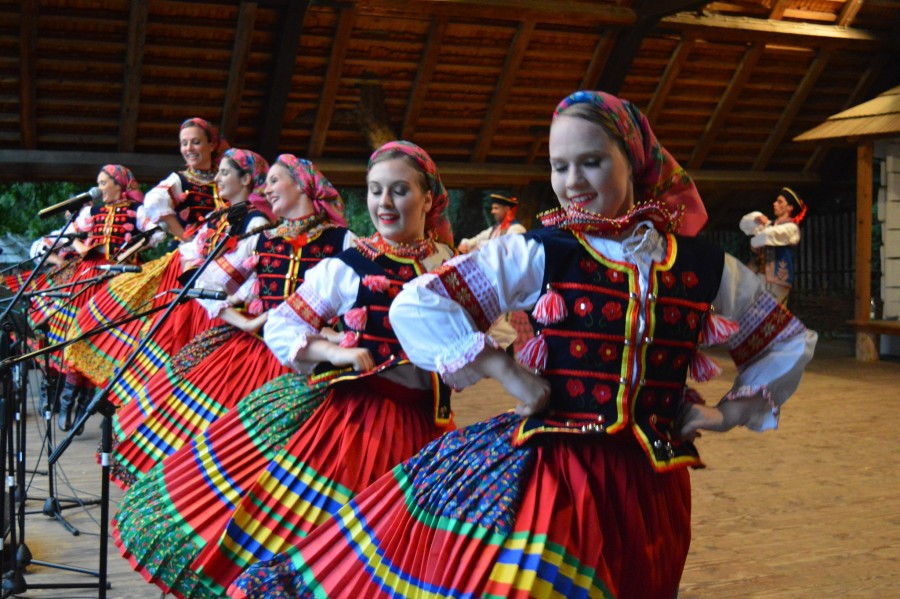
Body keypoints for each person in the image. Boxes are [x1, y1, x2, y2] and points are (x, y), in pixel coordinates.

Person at [229, 91, 818, 599]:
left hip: (653, 485)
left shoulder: (701, 264)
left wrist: (720, 416)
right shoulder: (540, 250)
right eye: (560, 166)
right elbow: (423, 303)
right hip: (558, 475)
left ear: (635, 164)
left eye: (591, 161)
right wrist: (507, 373)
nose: (573, 181)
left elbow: (783, 340)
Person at [112, 141, 458, 598]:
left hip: (428, 424)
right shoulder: (347, 264)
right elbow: (281, 323)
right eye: (375, 191)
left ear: (428, 199)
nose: (384, 203)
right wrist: (334, 352)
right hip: (358, 423)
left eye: (399, 190)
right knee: (333, 541)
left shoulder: (450, 263)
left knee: (408, 550)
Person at [108, 155, 354, 489]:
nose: (265, 190)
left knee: (291, 462)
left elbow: (363, 303)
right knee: (228, 452)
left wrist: (338, 335)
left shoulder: (344, 242)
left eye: (274, 181)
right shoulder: (262, 239)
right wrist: (246, 322)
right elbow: (202, 283)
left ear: (302, 185)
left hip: (313, 360)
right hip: (255, 354)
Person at [63, 118, 231, 398]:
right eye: (184, 143)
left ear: (212, 144)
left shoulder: (225, 178)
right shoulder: (181, 180)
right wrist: (185, 237)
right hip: (190, 263)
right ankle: (74, 389)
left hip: (225, 264)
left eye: (196, 141)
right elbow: (156, 204)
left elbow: (151, 229)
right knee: (174, 333)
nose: (189, 147)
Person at [28, 165, 151, 433]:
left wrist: (133, 248)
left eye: (104, 182)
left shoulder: (136, 211)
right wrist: (80, 247)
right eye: (98, 183)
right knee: (80, 336)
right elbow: (67, 236)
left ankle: (81, 409)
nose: (100, 188)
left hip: (119, 281)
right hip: (90, 278)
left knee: (99, 344)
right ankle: (68, 404)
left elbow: (156, 233)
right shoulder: (91, 212)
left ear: (119, 185)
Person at [740, 187, 807, 305]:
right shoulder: (770, 225)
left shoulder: (791, 229)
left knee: (772, 316)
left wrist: (764, 227)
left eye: (780, 202)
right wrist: (757, 219)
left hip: (778, 281)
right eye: (776, 201)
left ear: (790, 208)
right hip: (760, 277)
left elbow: (766, 236)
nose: (775, 204)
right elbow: (744, 224)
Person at [457, 192, 527, 254]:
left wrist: (478, 246)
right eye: (493, 208)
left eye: (496, 208)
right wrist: (465, 244)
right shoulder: (495, 229)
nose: (492, 212)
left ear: (507, 209)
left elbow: (502, 247)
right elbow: (477, 239)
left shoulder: (517, 229)